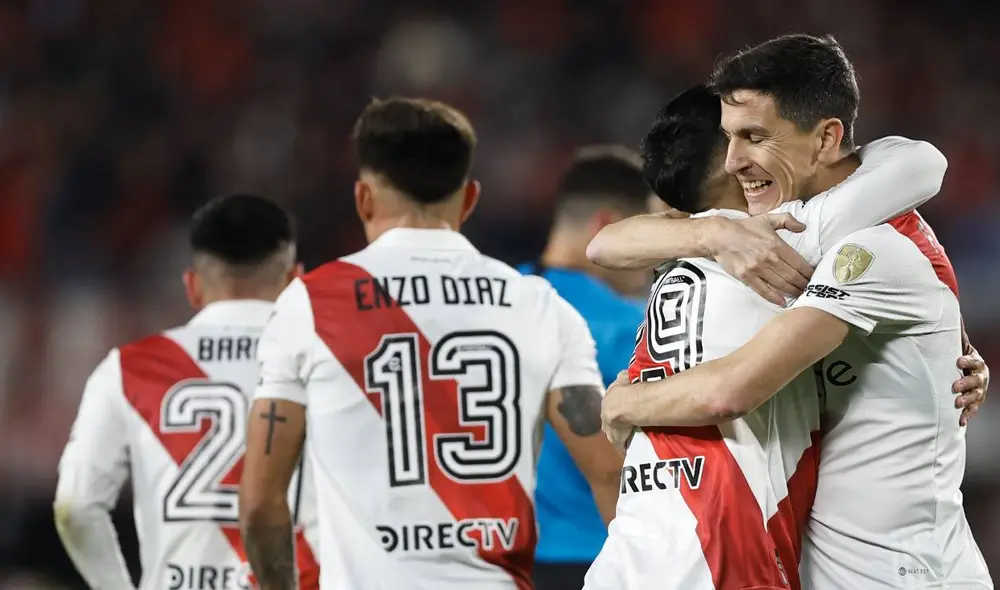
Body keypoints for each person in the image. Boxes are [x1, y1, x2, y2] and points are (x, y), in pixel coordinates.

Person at [599, 35, 992, 589]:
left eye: (754, 137)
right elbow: (609, 244)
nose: (734, 160)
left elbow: (730, 390)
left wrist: (623, 402)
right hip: (823, 570)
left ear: (827, 138)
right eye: (731, 139)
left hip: (904, 574)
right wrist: (711, 231)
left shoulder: (869, 246)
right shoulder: (776, 236)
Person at [238, 97, 624, 590]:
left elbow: (260, 503)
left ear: (363, 199)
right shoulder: (538, 305)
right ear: (469, 199)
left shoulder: (309, 304)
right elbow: (610, 475)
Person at [53, 194, 319, 590]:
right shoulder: (327, 364)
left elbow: (75, 506)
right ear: (295, 280)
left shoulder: (127, 370)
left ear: (192, 287)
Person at [519, 145, 648, 590]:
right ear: (608, 227)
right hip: (597, 555)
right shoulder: (635, 325)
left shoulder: (491, 304)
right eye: (646, 235)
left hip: (501, 555)